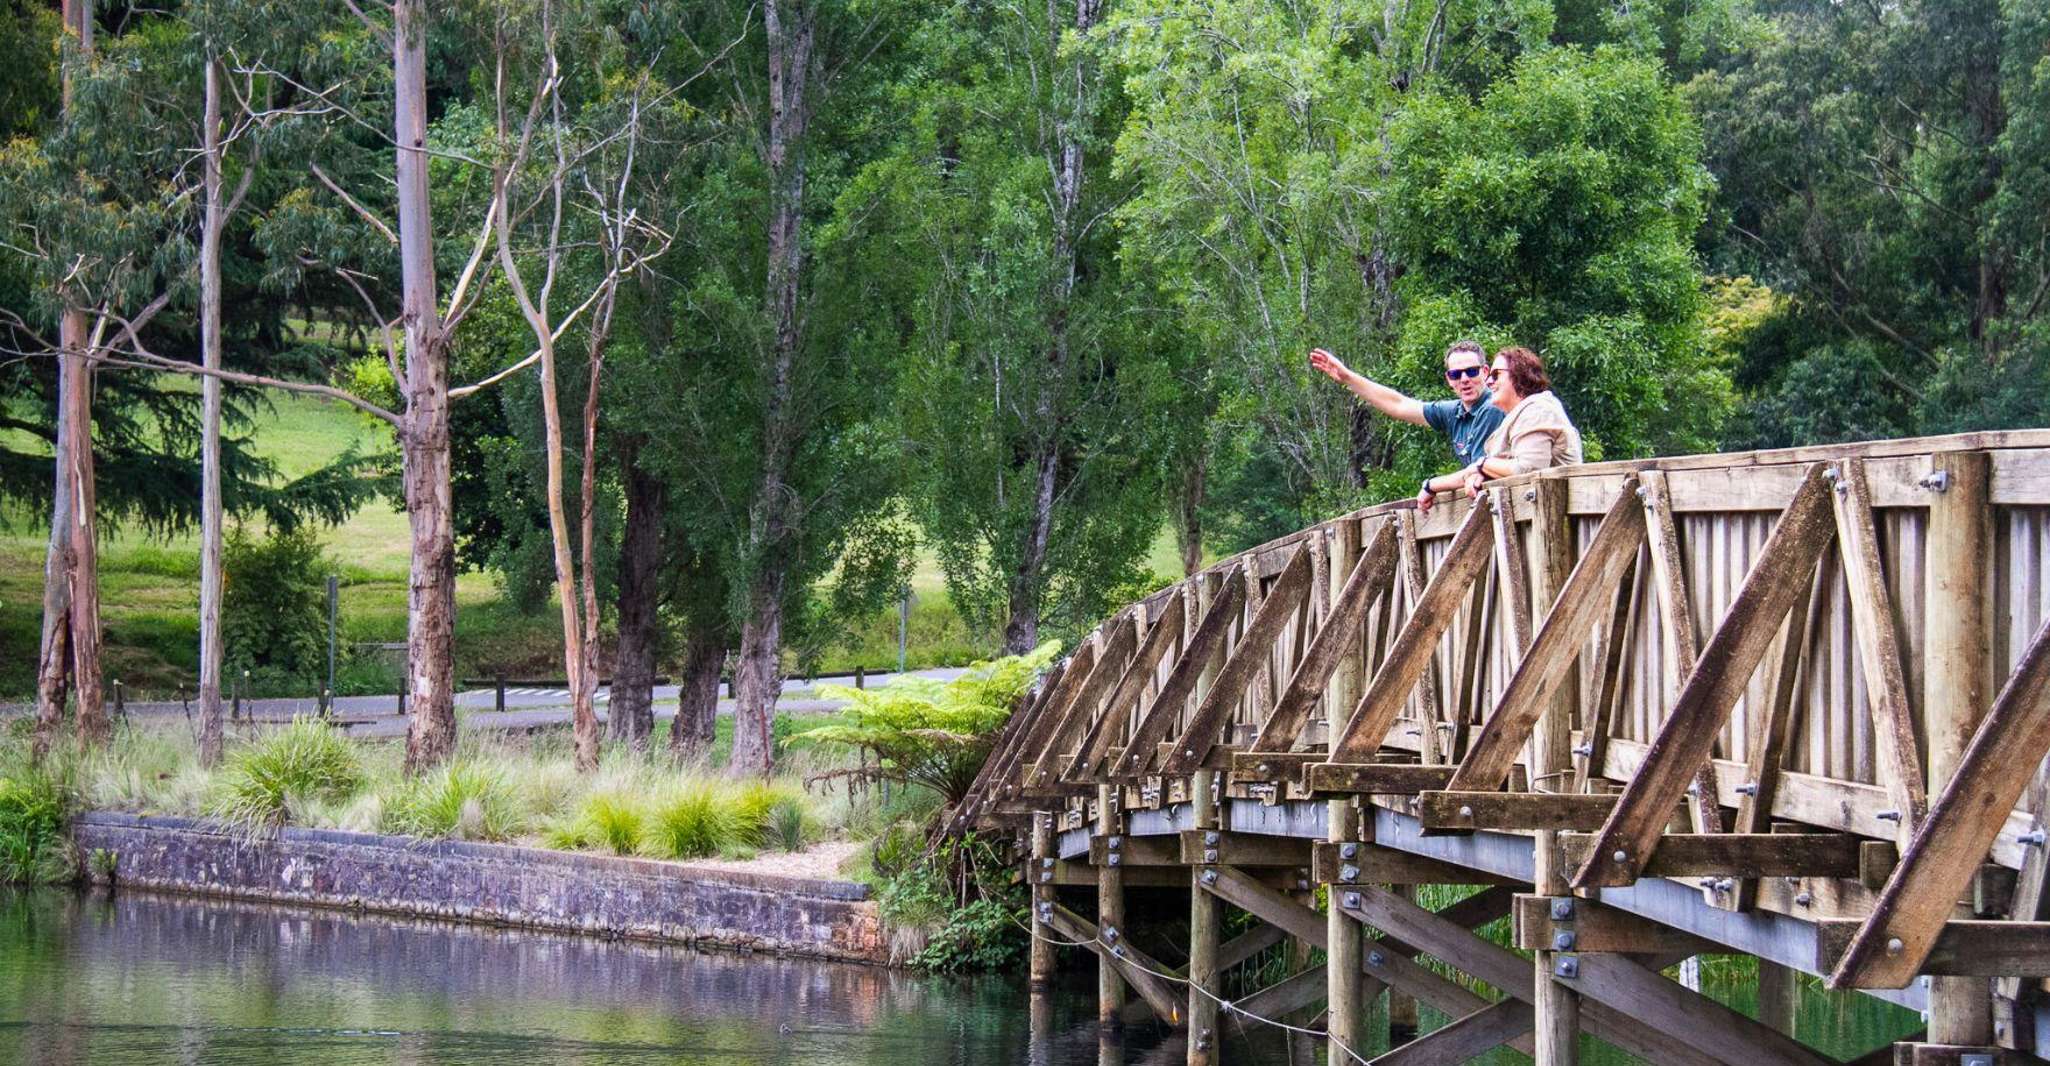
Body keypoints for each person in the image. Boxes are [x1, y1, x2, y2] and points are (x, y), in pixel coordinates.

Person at [1417, 346, 1583, 512]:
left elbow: (1529, 469)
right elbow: (1492, 466)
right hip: (1542, 514)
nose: (1489, 381)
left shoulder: (1537, 410)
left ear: (1518, 376)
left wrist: (1482, 465)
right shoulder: (1518, 417)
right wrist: (1432, 485)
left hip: (1560, 519)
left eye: (1496, 375)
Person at [1308, 340, 1505, 472]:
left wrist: (1431, 486)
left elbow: (1478, 471)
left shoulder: (1492, 407)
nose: (1464, 379)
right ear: (1448, 379)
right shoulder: (1455, 412)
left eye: (1471, 371)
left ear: (1485, 372)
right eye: (1456, 374)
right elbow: (1399, 405)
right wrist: (1348, 378)